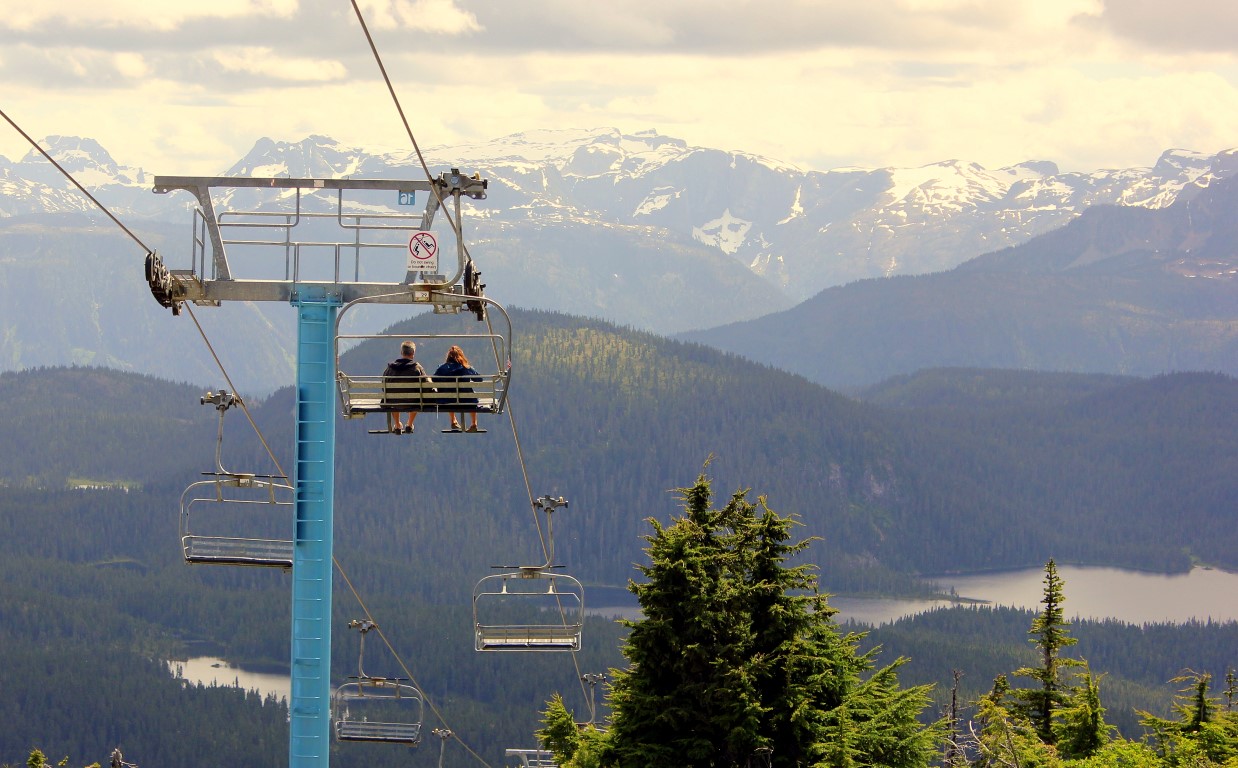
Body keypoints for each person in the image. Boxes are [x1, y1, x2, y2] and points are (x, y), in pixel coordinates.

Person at [383, 340, 429, 434]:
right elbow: (426, 386)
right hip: (413, 402)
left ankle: (397, 424)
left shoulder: (390, 368)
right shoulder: (417, 368)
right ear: (413, 353)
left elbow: (384, 387)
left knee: (393, 397)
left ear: (401, 353)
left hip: (393, 402)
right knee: (418, 397)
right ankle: (409, 424)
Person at [434, 345, 482, 432]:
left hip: (447, 401)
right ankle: (474, 423)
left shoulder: (441, 368)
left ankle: (453, 421)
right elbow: (479, 379)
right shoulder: (466, 368)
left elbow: (434, 380)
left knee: (448, 394)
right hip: (467, 401)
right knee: (471, 396)